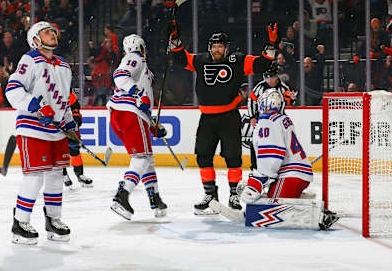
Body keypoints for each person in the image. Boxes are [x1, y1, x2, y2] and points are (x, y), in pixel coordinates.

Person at [169, 23, 277, 214]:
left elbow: (263, 64)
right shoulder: (201, 59)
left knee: (233, 158)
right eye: (213, 46)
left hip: (229, 117)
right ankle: (210, 195)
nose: (216, 49)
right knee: (203, 157)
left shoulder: (238, 60)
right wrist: (175, 40)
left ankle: (234, 194)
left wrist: (271, 45)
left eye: (220, 46)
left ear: (226, 48)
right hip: (207, 118)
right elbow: (180, 58)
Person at [210, 89, 339, 230]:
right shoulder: (282, 118)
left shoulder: (266, 121)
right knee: (271, 196)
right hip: (300, 174)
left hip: (290, 175)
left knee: (268, 208)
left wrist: (258, 181)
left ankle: (319, 217)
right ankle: (300, 201)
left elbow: (273, 156)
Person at [5, 21, 75, 244]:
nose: (53, 34)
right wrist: (34, 105)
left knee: (55, 175)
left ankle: (53, 220)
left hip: (57, 130)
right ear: (35, 39)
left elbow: (63, 99)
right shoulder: (30, 59)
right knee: (34, 176)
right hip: (33, 127)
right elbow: (13, 89)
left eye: (54, 31)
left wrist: (70, 121)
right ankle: (20, 222)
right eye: (47, 32)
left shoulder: (64, 65)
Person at [107, 34, 168, 220]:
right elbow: (119, 75)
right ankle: (122, 195)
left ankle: (155, 197)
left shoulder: (144, 70)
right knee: (141, 158)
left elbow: (144, 104)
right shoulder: (135, 58)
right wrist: (138, 94)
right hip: (129, 112)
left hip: (127, 114)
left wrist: (152, 125)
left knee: (146, 157)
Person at [247, 62, 296, 171]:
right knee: (255, 143)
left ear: (276, 76)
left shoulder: (283, 88)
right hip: (262, 121)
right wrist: (252, 117)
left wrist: (292, 99)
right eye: (267, 78)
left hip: (277, 122)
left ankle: (283, 168)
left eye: (272, 77)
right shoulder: (259, 87)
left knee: (280, 143)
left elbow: (289, 101)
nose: (269, 81)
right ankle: (255, 169)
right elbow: (251, 101)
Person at [62, 91, 93, 188]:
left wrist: (76, 120)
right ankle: (63, 174)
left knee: (74, 150)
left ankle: (80, 175)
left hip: (69, 123)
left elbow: (75, 106)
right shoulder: (48, 88)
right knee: (60, 151)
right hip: (55, 124)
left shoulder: (66, 89)